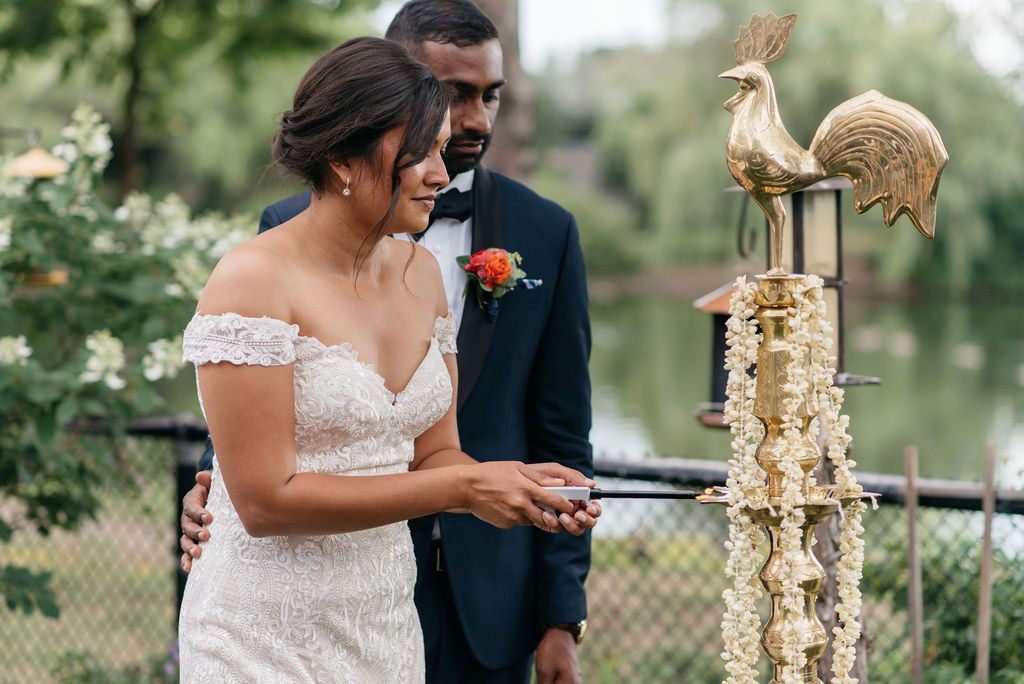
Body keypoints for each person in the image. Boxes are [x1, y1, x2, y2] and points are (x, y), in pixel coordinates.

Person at [181, 2, 597, 682]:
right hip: (266, 631)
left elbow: (438, 451)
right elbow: (260, 498)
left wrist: (518, 484)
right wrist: (463, 488)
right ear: (346, 155)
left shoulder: (421, 271)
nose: (443, 171)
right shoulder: (252, 275)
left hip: (381, 623)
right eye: (424, 151)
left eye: (442, 151)